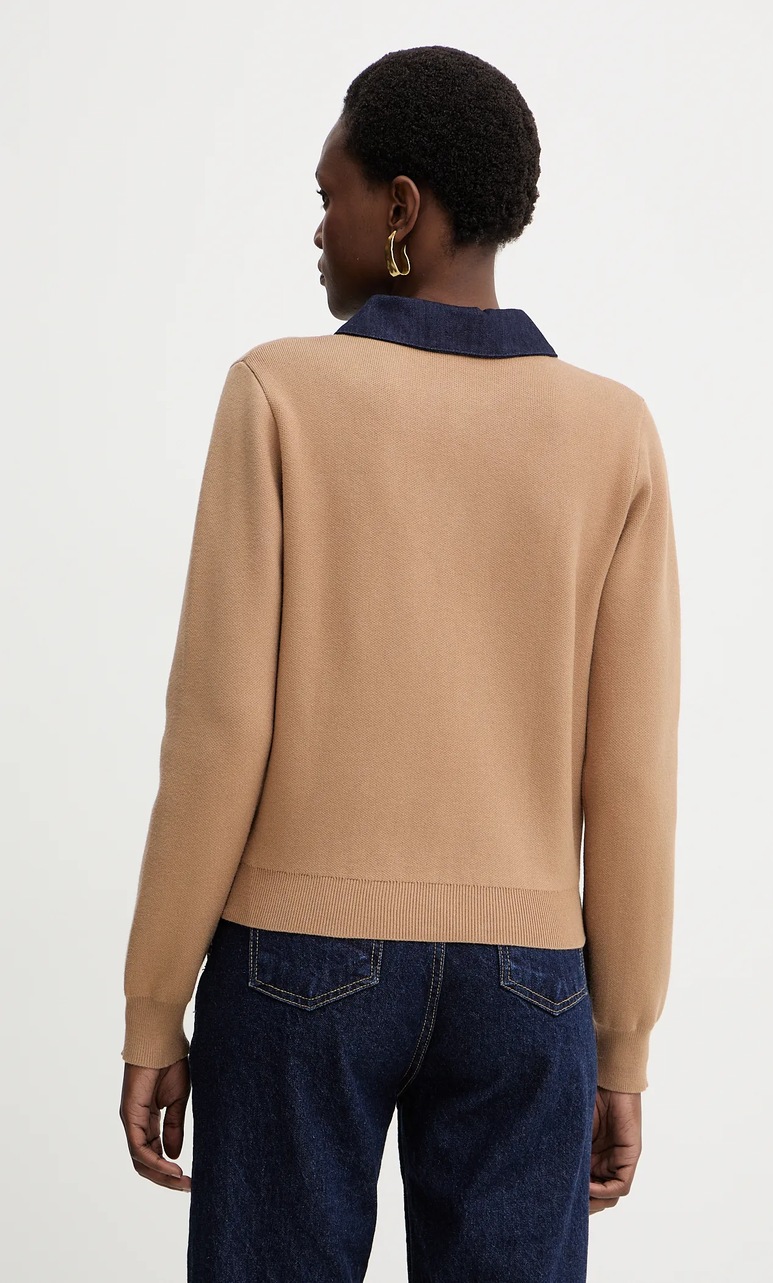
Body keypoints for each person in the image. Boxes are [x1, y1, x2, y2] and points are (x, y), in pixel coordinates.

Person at [118, 44, 681, 1283]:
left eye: (334, 194)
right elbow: (632, 772)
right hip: (530, 981)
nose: (319, 227)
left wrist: (155, 1000)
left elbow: (217, 729)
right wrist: (623, 1041)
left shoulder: (279, 391)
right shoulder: (613, 431)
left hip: (294, 959)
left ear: (403, 210)